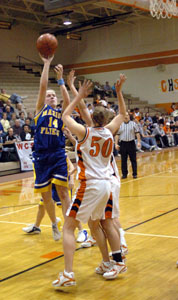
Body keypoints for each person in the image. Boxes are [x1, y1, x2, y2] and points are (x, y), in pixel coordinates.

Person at [52, 75, 126, 289]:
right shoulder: (110, 131)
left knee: (68, 227)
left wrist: (79, 96)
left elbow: (66, 115)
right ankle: (107, 261)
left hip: (91, 184)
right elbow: (122, 113)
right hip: (106, 184)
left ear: (93, 118)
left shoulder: (85, 132)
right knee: (97, 223)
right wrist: (119, 92)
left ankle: (68, 274)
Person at [32, 55, 71, 241]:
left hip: (57, 155)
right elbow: (42, 86)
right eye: (49, 95)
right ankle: (54, 224)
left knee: (63, 192)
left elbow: (68, 101)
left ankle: (69, 228)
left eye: (54, 95)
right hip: (41, 157)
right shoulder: (40, 109)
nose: (52, 96)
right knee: (46, 196)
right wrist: (47, 64)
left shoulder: (61, 113)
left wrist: (61, 81)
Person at [115, 112, 141, 179]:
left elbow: (137, 133)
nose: (126, 116)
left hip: (131, 143)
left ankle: (134, 174)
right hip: (123, 143)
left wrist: (138, 142)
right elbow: (117, 135)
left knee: (133, 159)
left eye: (127, 115)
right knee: (123, 160)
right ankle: (124, 174)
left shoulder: (133, 124)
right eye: (124, 115)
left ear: (129, 116)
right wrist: (116, 143)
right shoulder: (120, 125)